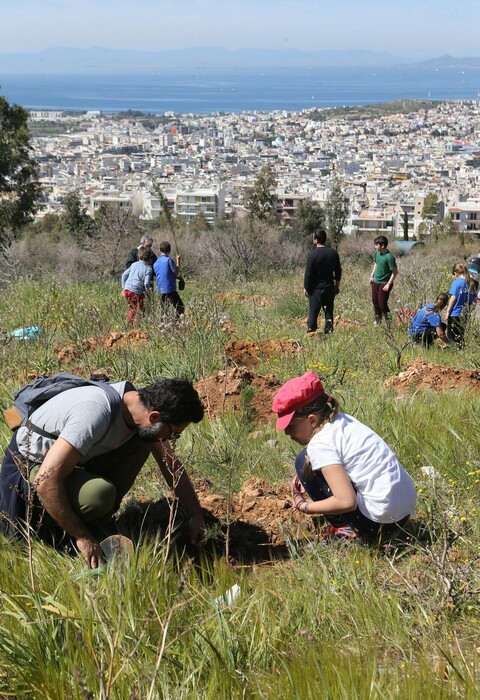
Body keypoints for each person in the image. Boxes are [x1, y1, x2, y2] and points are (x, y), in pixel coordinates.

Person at [0, 378, 205, 568]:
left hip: (69, 464)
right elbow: (47, 482)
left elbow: (171, 466)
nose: (172, 438)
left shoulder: (137, 411)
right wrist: (83, 538)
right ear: (154, 416)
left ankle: (95, 519)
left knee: (143, 442)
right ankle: (59, 529)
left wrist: (195, 513)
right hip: (29, 468)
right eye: (174, 433)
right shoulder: (95, 412)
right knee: (99, 495)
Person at [272, 371, 417, 544]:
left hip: (380, 523)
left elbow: (347, 501)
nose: (287, 432)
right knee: (306, 460)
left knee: (301, 461)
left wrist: (304, 506)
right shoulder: (342, 421)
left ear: (312, 420)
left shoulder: (320, 444)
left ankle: (347, 531)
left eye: (291, 426)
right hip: (403, 514)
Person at [304, 228, 342, 334]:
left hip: (315, 288)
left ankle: (311, 331)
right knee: (329, 312)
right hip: (329, 287)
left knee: (313, 312)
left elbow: (308, 273)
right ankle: (328, 332)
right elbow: (338, 271)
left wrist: (306, 287)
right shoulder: (333, 253)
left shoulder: (313, 254)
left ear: (316, 240)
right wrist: (337, 285)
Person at [369, 235, 398, 325]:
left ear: (382, 246)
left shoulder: (389, 257)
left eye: (376, 245)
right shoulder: (377, 253)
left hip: (384, 283)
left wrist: (388, 284)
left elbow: (395, 272)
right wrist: (372, 276)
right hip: (376, 281)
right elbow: (376, 263)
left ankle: (389, 323)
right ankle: (378, 320)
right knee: (375, 301)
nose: (375, 246)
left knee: (382, 304)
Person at [445, 263, 475, 347]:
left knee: (452, 337)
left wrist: (448, 311)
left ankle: (453, 353)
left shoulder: (457, 283)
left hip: (455, 313)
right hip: (464, 313)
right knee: (460, 337)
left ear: (456, 273)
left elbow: (453, 298)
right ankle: (461, 351)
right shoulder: (470, 283)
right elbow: (473, 300)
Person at [121, 246, 153, 324]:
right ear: (149, 258)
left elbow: (124, 275)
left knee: (132, 308)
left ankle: (127, 325)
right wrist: (147, 291)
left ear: (139, 255)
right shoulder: (148, 268)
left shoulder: (134, 264)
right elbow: (146, 283)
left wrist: (124, 287)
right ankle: (136, 327)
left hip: (127, 291)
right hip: (136, 291)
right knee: (139, 310)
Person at [153, 241, 185, 316]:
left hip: (160, 290)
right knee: (180, 308)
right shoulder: (169, 260)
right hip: (170, 289)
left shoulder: (155, 263)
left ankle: (164, 325)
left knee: (164, 311)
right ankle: (176, 323)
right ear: (169, 251)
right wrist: (178, 261)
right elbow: (176, 272)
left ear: (159, 250)